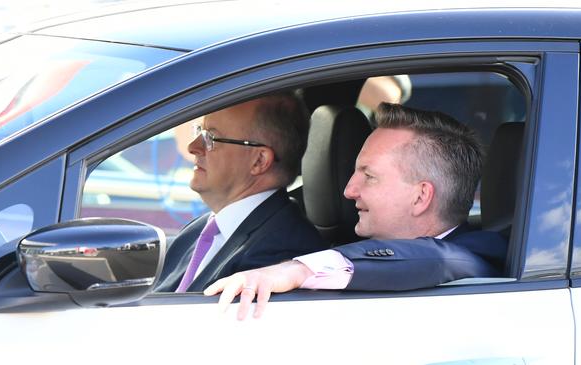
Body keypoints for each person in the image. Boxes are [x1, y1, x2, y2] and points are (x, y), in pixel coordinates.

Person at [204, 102, 507, 319]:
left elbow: (437, 258)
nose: (349, 190)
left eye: (369, 176)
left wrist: (296, 270)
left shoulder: (474, 258)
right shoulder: (342, 247)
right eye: (353, 173)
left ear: (421, 197)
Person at [155, 92, 327, 292]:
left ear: (259, 161)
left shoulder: (277, 255)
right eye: (200, 132)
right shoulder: (205, 226)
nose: (193, 147)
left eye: (211, 137)